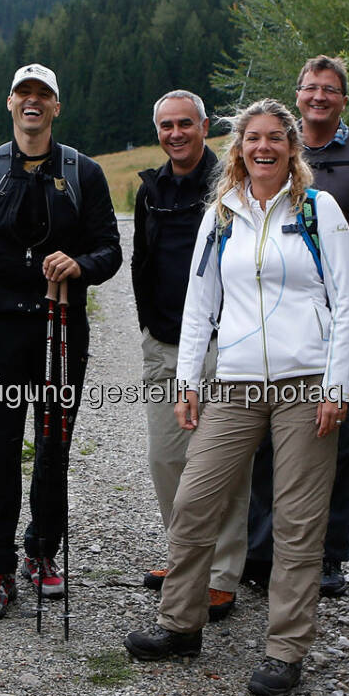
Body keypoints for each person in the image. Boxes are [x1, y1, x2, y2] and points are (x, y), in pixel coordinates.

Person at [124, 99, 349, 696]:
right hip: (234, 382)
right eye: (251, 138)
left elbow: (344, 302)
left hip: (306, 385)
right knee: (196, 499)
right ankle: (180, 624)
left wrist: (337, 386)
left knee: (298, 522)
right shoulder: (221, 214)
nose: (262, 148)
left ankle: (285, 649)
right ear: (238, 147)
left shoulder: (317, 209)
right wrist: (189, 382)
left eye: (274, 138)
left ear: (291, 145)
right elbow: (200, 304)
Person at [0, 63, 121, 619]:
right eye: (23, 94)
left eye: (42, 95)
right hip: (1, 331)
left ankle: (42, 552)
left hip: (63, 330)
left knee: (53, 448)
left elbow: (110, 250)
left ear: (55, 107)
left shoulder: (84, 172)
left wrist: (79, 265)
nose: (32, 103)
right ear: (10, 103)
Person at [243, 55, 349, 602]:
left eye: (330, 90)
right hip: (273, 321)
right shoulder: (277, 148)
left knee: (340, 432)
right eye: (311, 88)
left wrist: (329, 255)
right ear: (298, 94)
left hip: (345, 316)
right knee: (263, 435)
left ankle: (328, 555)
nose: (319, 98)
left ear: (343, 100)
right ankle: (261, 550)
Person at [131, 90, 243, 622]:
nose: (176, 134)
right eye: (166, 126)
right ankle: (185, 559)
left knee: (220, 462)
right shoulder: (151, 189)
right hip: (164, 344)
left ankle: (220, 576)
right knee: (166, 456)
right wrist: (148, 323)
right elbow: (142, 261)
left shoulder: (232, 185)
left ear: (204, 127)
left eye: (185, 124)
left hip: (222, 343)